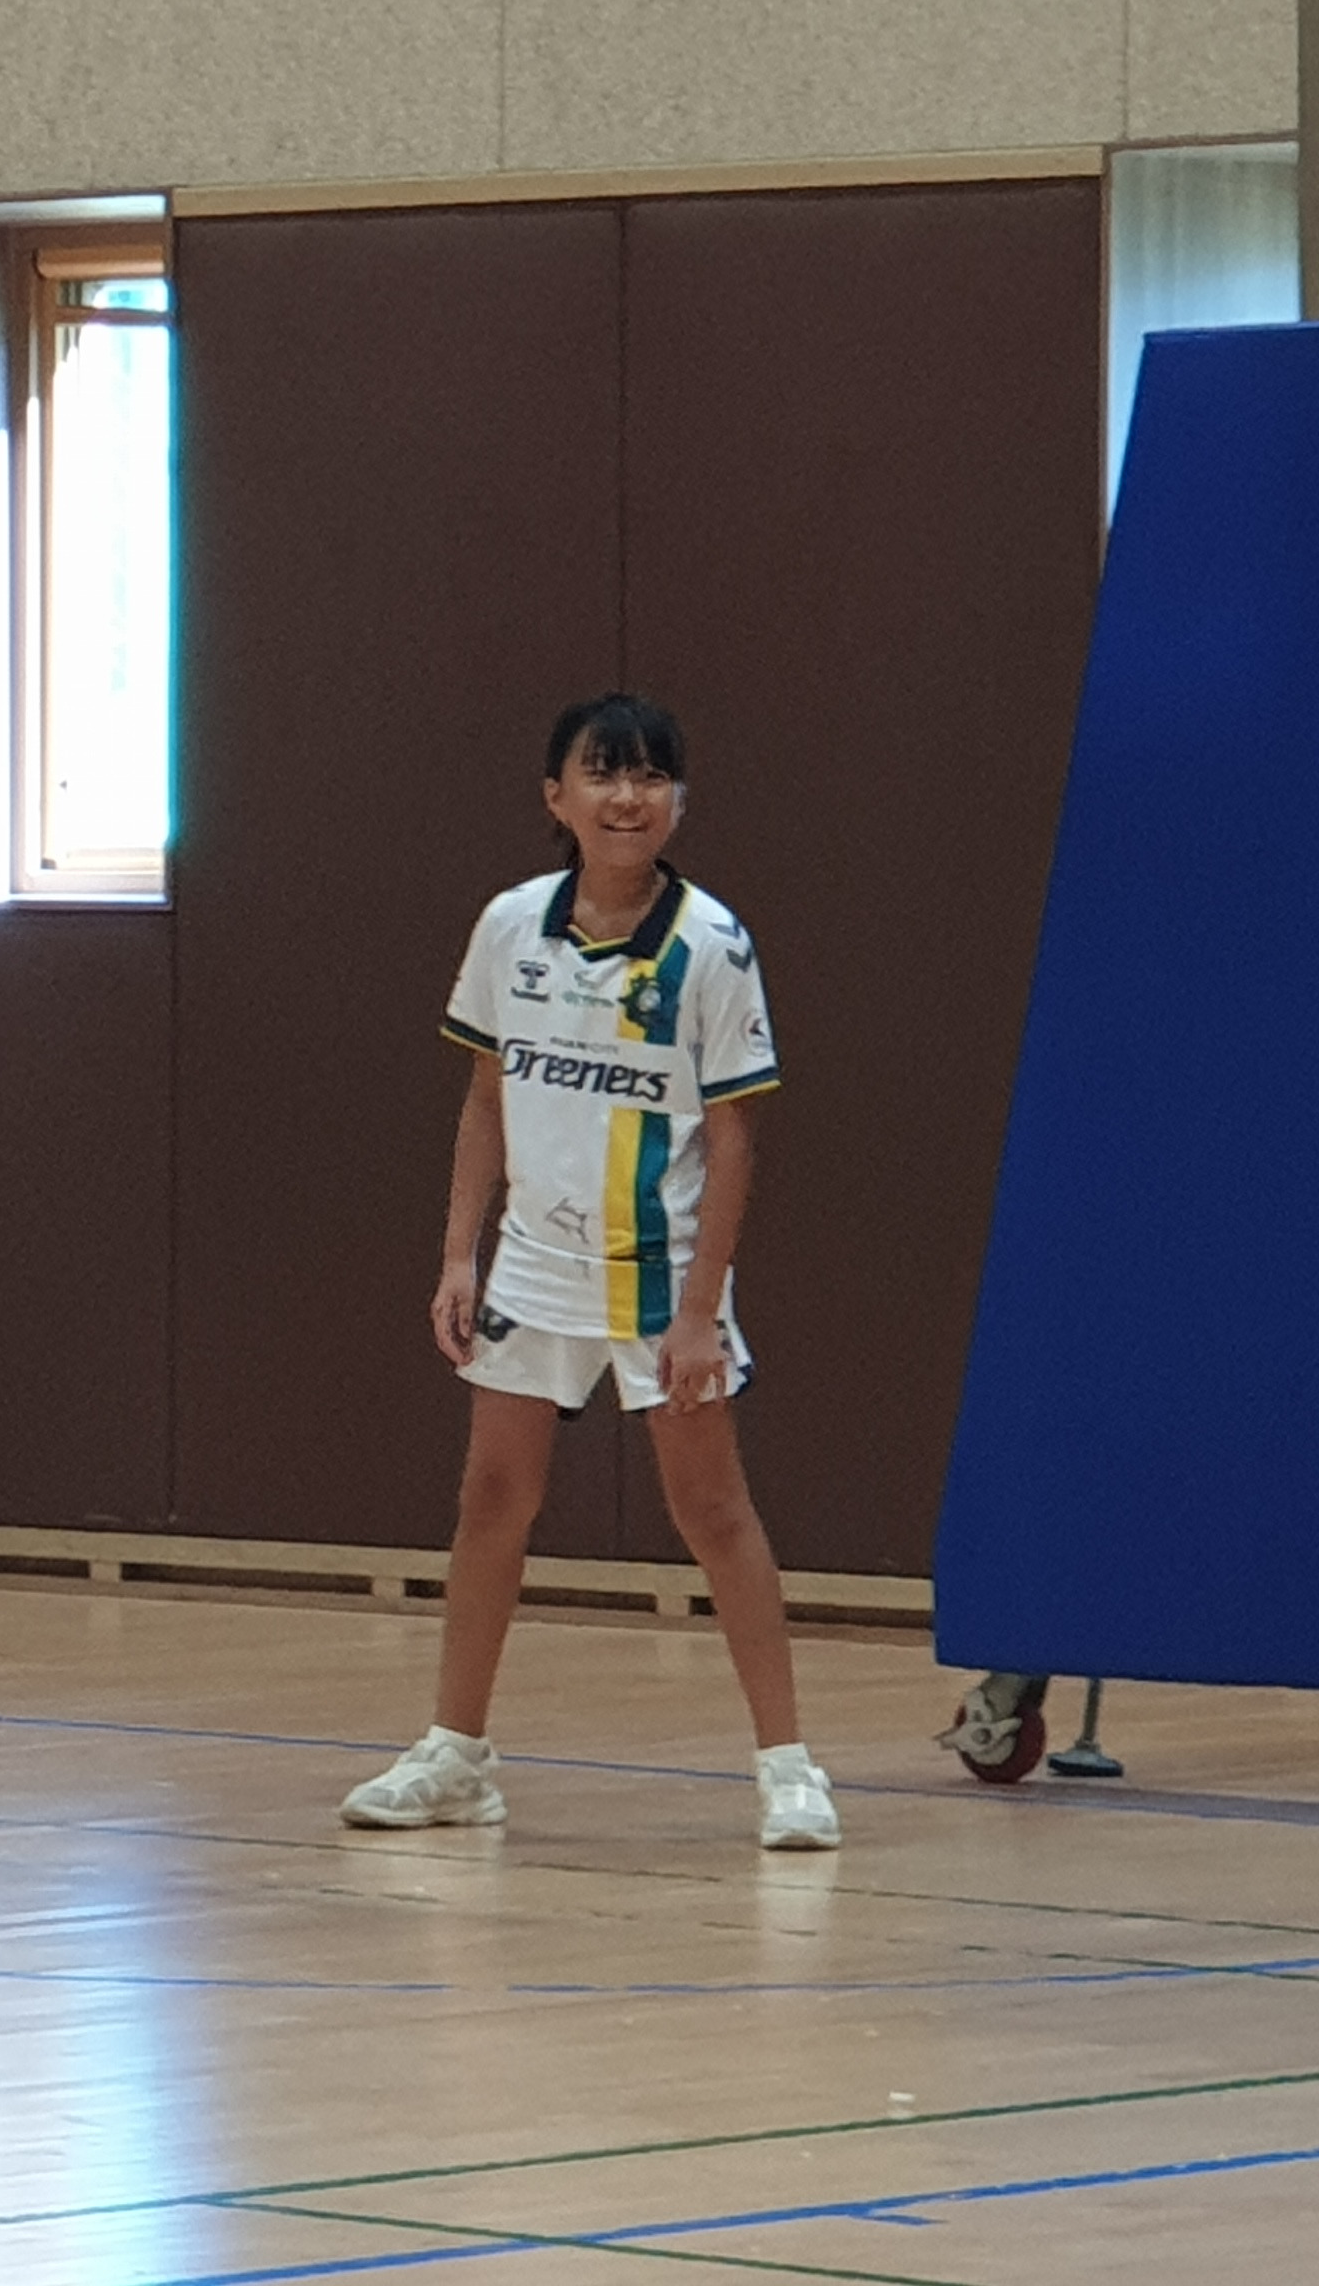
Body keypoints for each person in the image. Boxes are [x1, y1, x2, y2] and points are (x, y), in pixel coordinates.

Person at [342, 693, 835, 1850]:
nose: (627, 796)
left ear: (679, 801)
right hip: (534, 1268)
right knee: (491, 1500)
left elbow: (736, 1140)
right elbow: (485, 1097)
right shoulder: (510, 926)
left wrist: (703, 1310)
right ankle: (457, 1756)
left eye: (651, 776)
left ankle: (790, 1769)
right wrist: (458, 1254)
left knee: (712, 1512)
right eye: (603, 774)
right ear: (556, 797)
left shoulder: (713, 945)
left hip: (662, 1277)